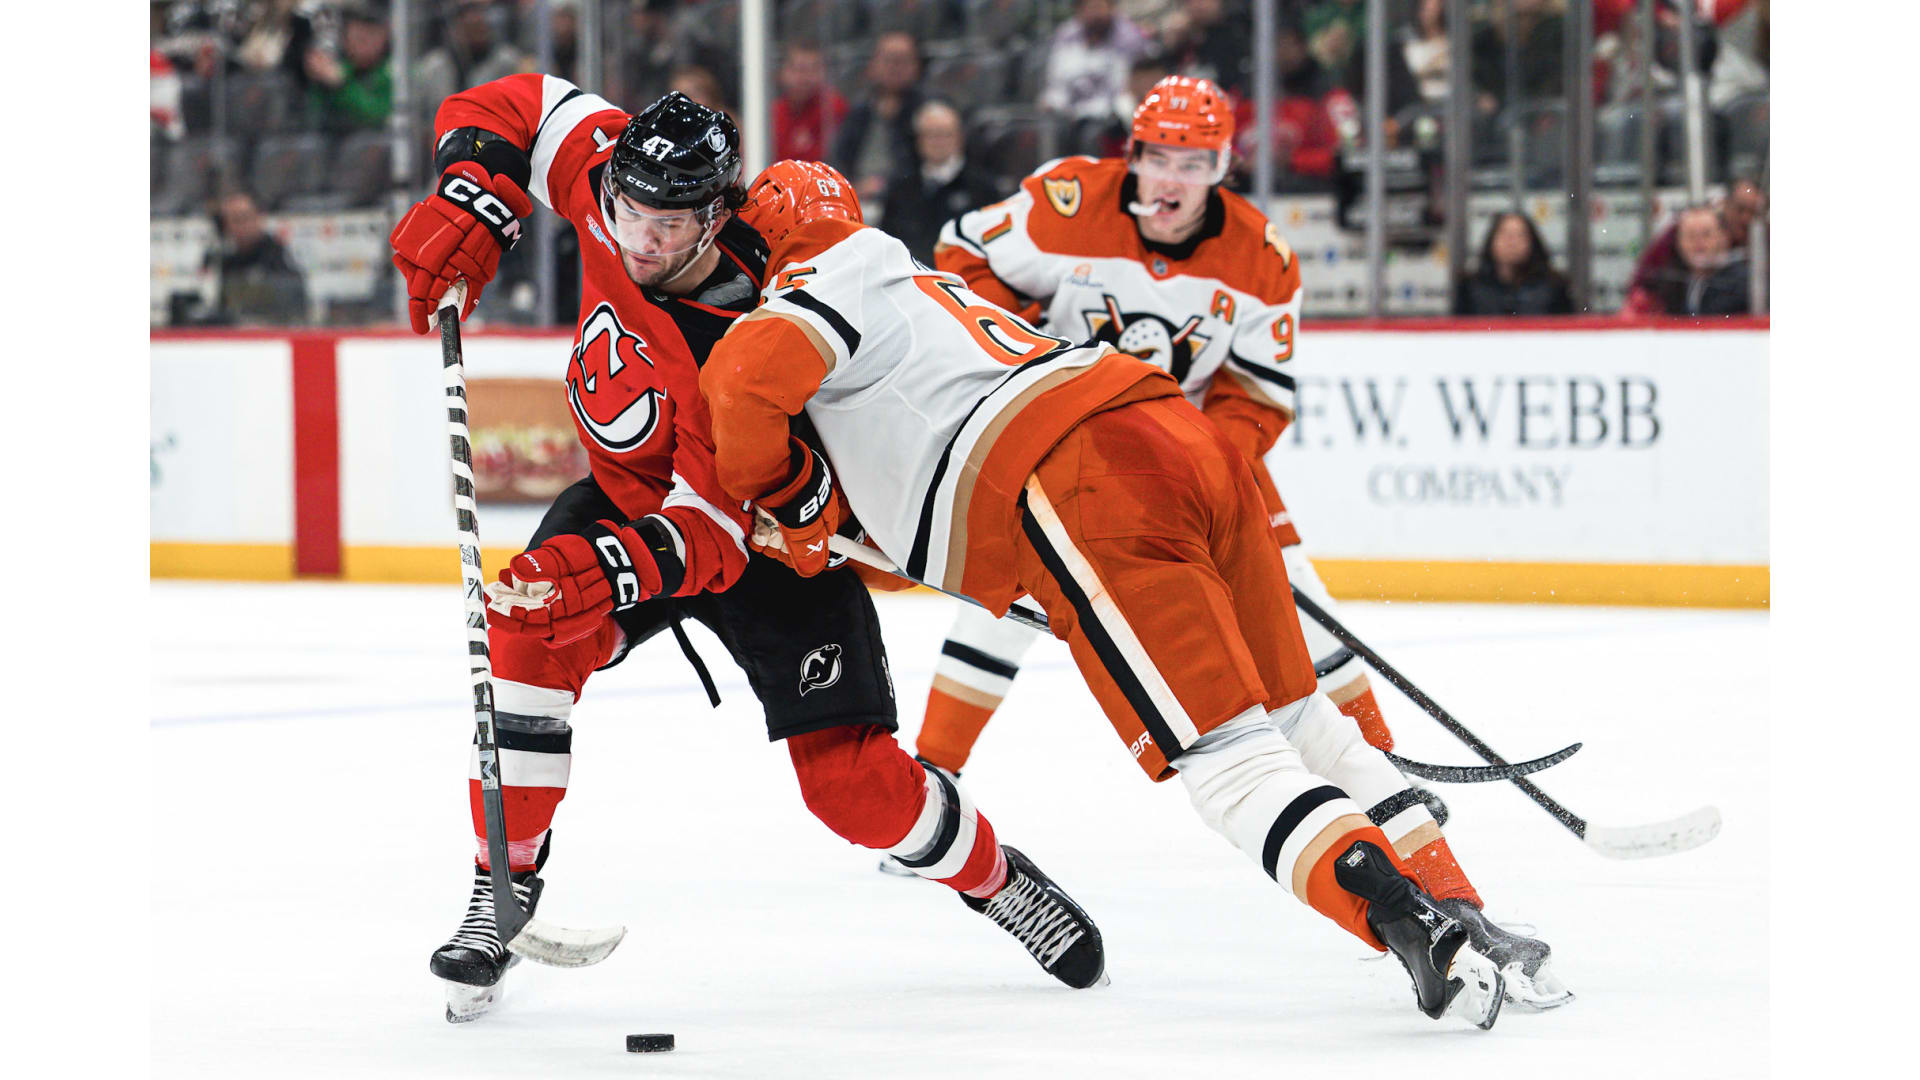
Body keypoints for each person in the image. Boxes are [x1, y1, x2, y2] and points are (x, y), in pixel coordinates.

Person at [698, 158, 1531, 1030]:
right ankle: (1462, 906)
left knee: (1230, 760)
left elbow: (744, 383)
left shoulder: (813, 283)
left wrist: (785, 496)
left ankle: (1406, 921)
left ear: (763, 234)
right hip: (1175, 429)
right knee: (1302, 719)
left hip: (1081, 480)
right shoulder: (915, 277)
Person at [389, 75, 1106, 1022]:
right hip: (626, 502)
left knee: (852, 790)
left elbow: (715, 530)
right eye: (628, 213)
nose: (639, 241)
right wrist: (473, 193)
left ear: (714, 217)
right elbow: (517, 105)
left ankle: (995, 879)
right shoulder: (617, 176)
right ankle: (503, 889)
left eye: (667, 226)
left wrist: (594, 572)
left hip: (770, 545)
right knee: (524, 633)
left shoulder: (755, 332)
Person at [920, 77, 1568, 1009]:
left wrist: (1193, 464)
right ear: (1132, 156)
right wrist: (1017, 347)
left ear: (1223, 168)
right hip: (1065, 460)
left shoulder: (1260, 256)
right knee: (996, 615)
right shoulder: (1065, 203)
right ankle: (935, 774)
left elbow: (1258, 395)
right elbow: (959, 255)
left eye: (1194, 164)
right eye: (1158, 158)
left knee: (1314, 638)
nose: (1172, 180)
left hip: (1193, 474)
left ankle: (1400, 811)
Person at [878, 100, 1004, 265]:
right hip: (912, 273)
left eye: (945, 134)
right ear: (918, 139)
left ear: (959, 137)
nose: (938, 142)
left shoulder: (982, 188)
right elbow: (887, 240)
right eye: (930, 134)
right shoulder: (901, 187)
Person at [830, 31, 928, 207]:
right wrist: (852, 188)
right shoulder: (859, 111)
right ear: (872, 64)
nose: (895, 67)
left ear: (916, 66)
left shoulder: (928, 112)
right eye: (888, 59)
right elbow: (838, 159)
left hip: (910, 205)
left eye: (902, 60)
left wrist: (887, 187)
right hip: (855, 199)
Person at [1038, 0, 1154, 123]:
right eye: (1090, 7)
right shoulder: (1067, 35)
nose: (1095, 13)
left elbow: (1129, 85)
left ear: (1111, 8)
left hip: (1113, 113)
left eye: (1099, 7)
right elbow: (1057, 83)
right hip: (1070, 114)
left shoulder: (1129, 37)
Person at [1623, 205, 1751, 316]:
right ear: (1678, 243)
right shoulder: (1670, 281)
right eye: (1690, 236)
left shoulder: (1742, 282)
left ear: (1724, 238)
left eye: (1706, 234)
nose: (1698, 242)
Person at [208, 189, 308, 325]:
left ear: (259, 218)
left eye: (245, 218)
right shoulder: (228, 262)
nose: (242, 226)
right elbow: (224, 308)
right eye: (235, 220)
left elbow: (293, 304)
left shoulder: (277, 254)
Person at [1454, 211, 1575, 316]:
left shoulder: (1554, 287)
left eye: (1520, 235)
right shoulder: (1470, 287)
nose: (1512, 243)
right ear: (1492, 240)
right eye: (1505, 235)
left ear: (1532, 242)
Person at [303, 2, 392, 133]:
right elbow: (314, 114)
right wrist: (321, 81)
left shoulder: (391, 72)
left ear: (384, 36)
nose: (362, 45)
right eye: (356, 38)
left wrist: (342, 85)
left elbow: (376, 114)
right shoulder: (342, 66)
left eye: (368, 37)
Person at [772, 41, 848, 164]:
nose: (804, 78)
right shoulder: (772, 113)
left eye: (813, 69)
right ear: (782, 73)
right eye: (798, 69)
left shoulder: (833, 108)